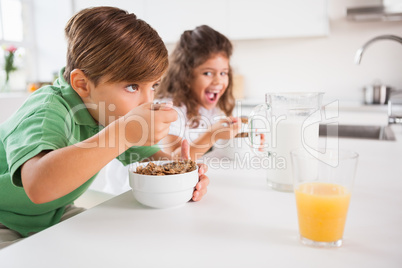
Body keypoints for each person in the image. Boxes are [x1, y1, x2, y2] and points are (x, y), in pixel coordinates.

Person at [0, 6, 209, 249]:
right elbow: (38, 186)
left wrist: (184, 175)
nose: (147, 102)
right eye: (132, 86)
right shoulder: (47, 110)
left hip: (52, 215)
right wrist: (122, 133)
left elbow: (154, 159)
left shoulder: (104, 112)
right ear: (82, 84)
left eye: (153, 86)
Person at [156, 25, 242, 160]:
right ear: (186, 75)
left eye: (223, 73)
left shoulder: (209, 104)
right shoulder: (169, 109)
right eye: (207, 73)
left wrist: (249, 132)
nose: (218, 81)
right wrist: (213, 134)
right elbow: (175, 159)